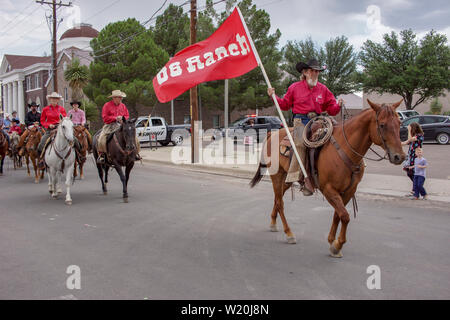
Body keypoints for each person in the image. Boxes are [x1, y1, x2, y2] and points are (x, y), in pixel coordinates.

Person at [267, 58, 343, 195]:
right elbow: (284, 105)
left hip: (319, 121)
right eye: (312, 71)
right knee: (300, 144)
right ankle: (299, 176)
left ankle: (328, 173)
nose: (315, 74)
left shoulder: (323, 89)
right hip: (300, 121)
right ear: (305, 72)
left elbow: (332, 109)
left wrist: (338, 105)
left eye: (317, 71)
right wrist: (274, 97)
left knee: (333, 140)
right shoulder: (294, 88)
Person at [37, 92, 82, 169]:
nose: (54, 100)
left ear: (58, 100)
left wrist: (60, 124)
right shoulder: (45, 109)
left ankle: (79, 156)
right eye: (52, 99)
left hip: (61, 128)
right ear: (50, 100)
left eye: (55, 99)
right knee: (42, 142)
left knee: (74, 139)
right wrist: (48, 125)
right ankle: (41, 159)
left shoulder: (61, 109)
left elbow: (65, 119)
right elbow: (42, 121)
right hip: (50, 129)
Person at [97, 90, 141, 164]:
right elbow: (104, 117)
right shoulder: (107, 105)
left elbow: (127, 115)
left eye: (121, 97)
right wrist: (115, 118)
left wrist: (123, 119)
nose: (121, 99)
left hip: (122, 125)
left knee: (135, 138)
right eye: (120, 97)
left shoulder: (123, 106)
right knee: (102, 138)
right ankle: (102, 155)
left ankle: (135, 154)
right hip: (110, 125)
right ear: (114, 98)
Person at [401, 122, 424, 195]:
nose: (410, 130)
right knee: (409, 173)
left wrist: (408, 130)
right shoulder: (414, 136)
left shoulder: (419, 136)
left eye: (410, 128)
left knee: (413, 173)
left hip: (416, 157)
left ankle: (415, 190)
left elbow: (410, 139)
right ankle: (416, 188)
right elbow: (404, 143)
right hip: (410, 157)